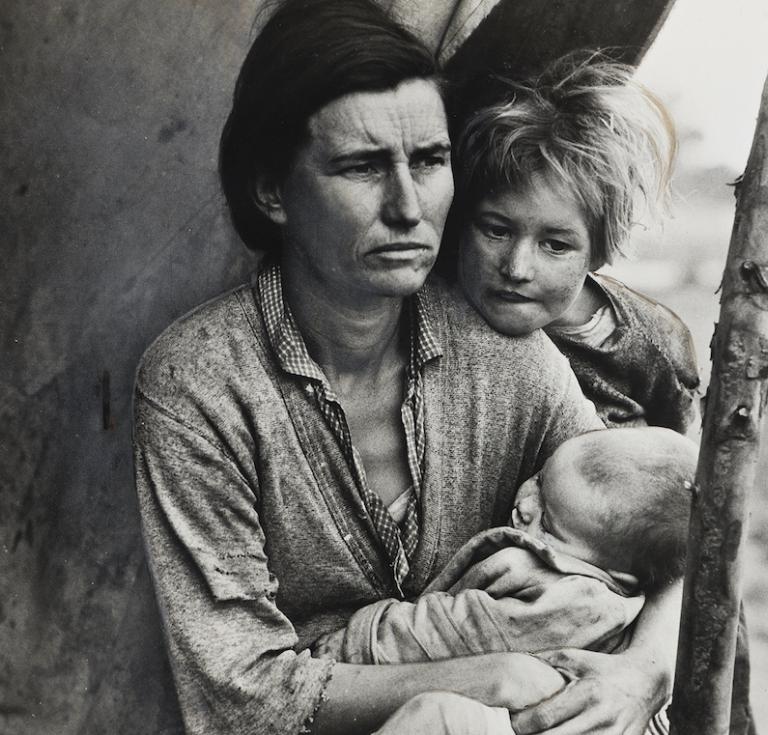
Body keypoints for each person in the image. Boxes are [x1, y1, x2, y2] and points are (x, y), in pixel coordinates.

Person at [133, 3, 681, 733]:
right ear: (272, 189)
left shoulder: (505, 354)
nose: (407, 207)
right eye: (362, 167)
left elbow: (667, 538)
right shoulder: (199, 386)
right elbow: (240, 692)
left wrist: (644, 669)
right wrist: (489, 675)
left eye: (428, 161)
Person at [442, 52, 700, 432]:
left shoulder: (653, 340)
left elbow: (682, 450)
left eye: (555, 246)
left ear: (599, 250)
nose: (516, 268)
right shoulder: (435, 308)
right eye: (497, 230)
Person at [314, 427, 695, 668]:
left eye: (547, 524)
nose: (525, 505)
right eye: (539, 478)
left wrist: (350, 645)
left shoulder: (570, 602)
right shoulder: (593, 544)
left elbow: (450, 634)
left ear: (619, 573)